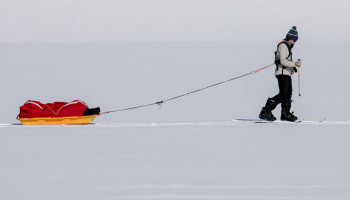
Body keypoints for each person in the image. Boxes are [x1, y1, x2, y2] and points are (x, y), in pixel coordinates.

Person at [259, 26, 302, 122]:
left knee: (288, 94)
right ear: (290, 38)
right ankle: (266, 111)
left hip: (286, 73)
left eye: (297, 39)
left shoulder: (288, 46)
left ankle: (285, 114)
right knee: (283, 94)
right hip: (282, 73)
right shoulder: (283, 46)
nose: (295, 41)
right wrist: (295, 64)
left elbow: (287, 61)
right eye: (295, 39)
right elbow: (283, 61)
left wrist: (292, 68)